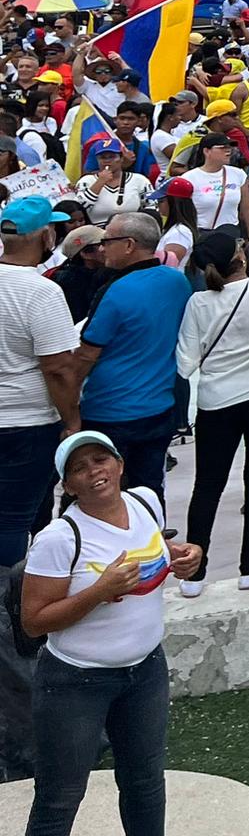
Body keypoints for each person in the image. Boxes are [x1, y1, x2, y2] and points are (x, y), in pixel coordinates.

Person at [16, 431, 204, 836]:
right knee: (59, 798)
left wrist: (185, 558)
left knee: (144, 779)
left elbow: (156, 551)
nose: (94, 471)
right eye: (80, 468)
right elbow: (35, 622)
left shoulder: (145, 503)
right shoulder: (59, 538)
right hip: (74, 683)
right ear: (69, 485)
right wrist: (98, 591)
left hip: (145, 671)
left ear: (120, 464)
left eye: (101, 459)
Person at [175, 235, 249, 594]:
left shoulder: (198, 302)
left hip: (216, 402)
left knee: (207, 486)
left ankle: (194, 574)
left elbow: (185, 364)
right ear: (240, 256)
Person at [66, 213, 188, 499]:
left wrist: (68, 406)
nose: (102, 248)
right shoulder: (176, 282)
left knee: (93, 494)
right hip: (158, 406)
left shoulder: (116, 292)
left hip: (108, 410)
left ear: (130, 245)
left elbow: (86, 355)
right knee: (148, 492)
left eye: (107, 241)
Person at [0, 194, 80, 565]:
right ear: (46, 235)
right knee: (15, 520)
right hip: (25, 423)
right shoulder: (41, 291)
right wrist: (72, 421)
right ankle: (10, 607)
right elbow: (59, 367)